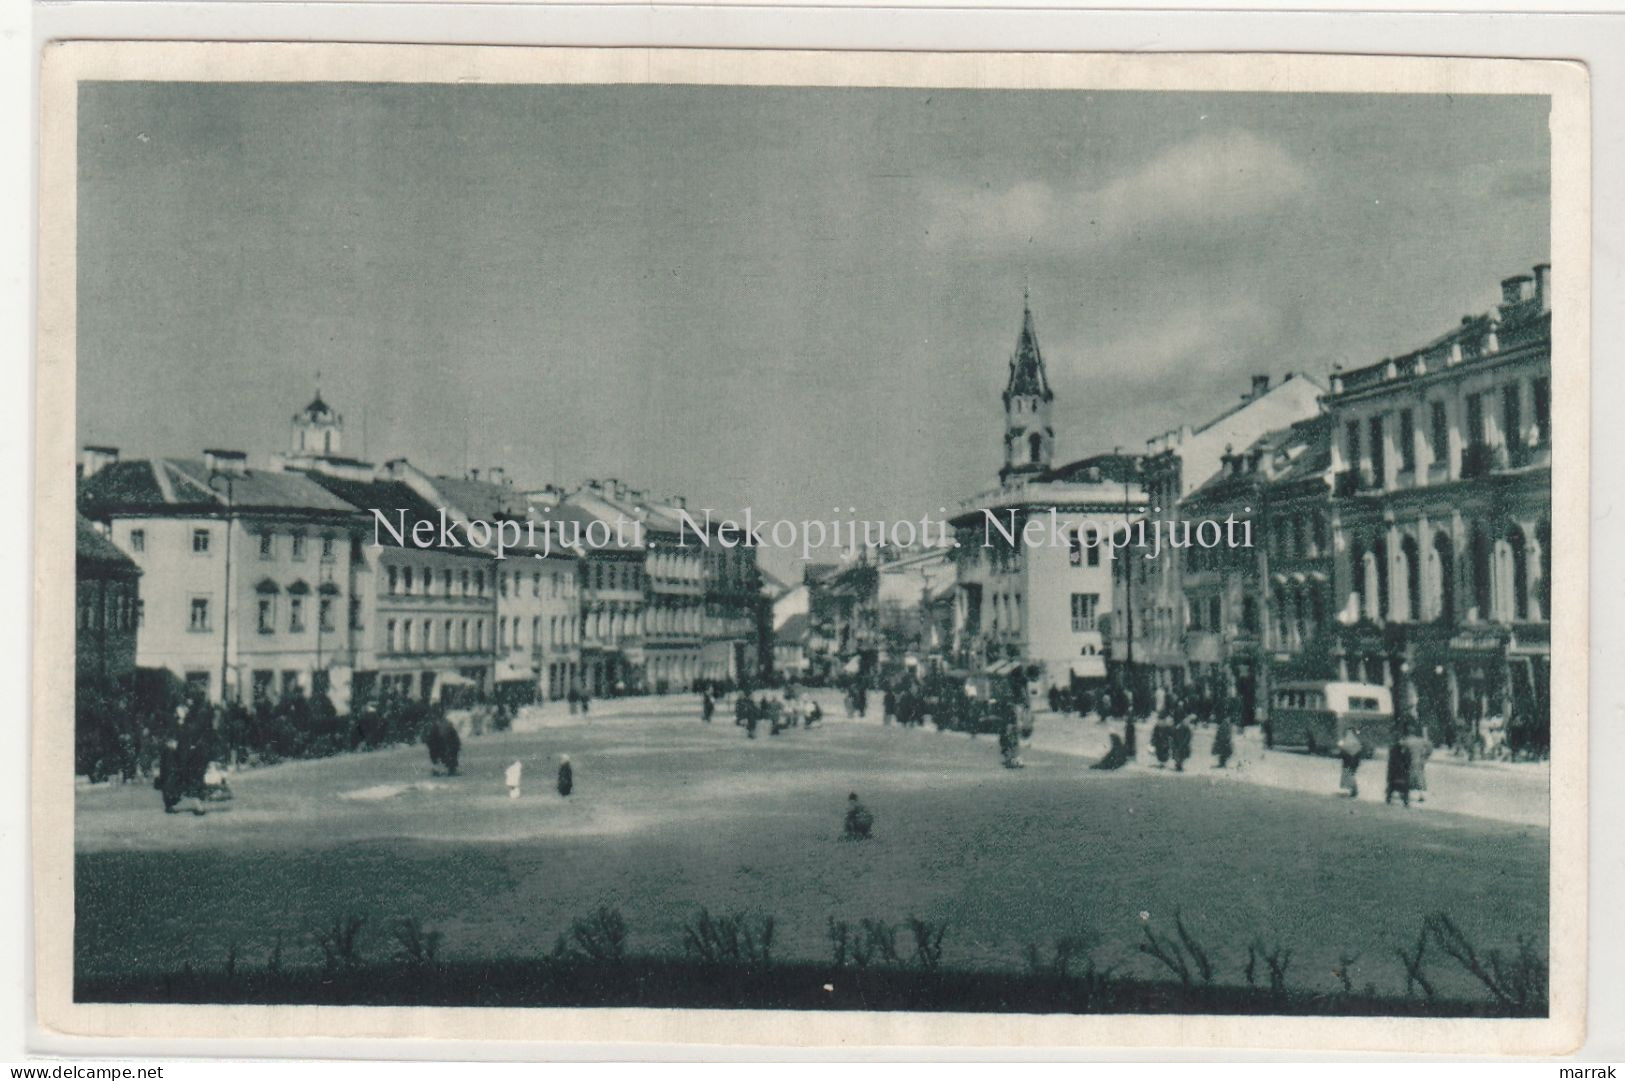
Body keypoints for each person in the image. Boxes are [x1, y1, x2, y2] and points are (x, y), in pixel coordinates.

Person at [1401, 725, 1433, 804]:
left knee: (1408, 777)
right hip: (1419, 761)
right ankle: (1421, 795)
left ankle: (1405, 793)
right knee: (1420, 778)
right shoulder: (1421, 741)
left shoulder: (1406, 741)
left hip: (1410, 762)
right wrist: (1425, 757)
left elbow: (1402, 751)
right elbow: (1430, 746)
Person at [1337, 727, 1364, 798]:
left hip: (1349, 762)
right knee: (1351, 776)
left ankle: (1353, 791)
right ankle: (1353, 790)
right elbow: (1358, 751)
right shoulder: (1355, 741)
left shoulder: (1348, 741)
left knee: (1349, 776)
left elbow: (1344, 752)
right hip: (1354, 762)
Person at [1385, 738, 1412, 807]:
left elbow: (1408, 762)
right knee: (1397, 785)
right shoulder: (1397, 750)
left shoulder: (1405, 750)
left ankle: (1390, 798)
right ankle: (1404, 800)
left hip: (1398, 771)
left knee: (1393, 785)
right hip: (1397, 771)